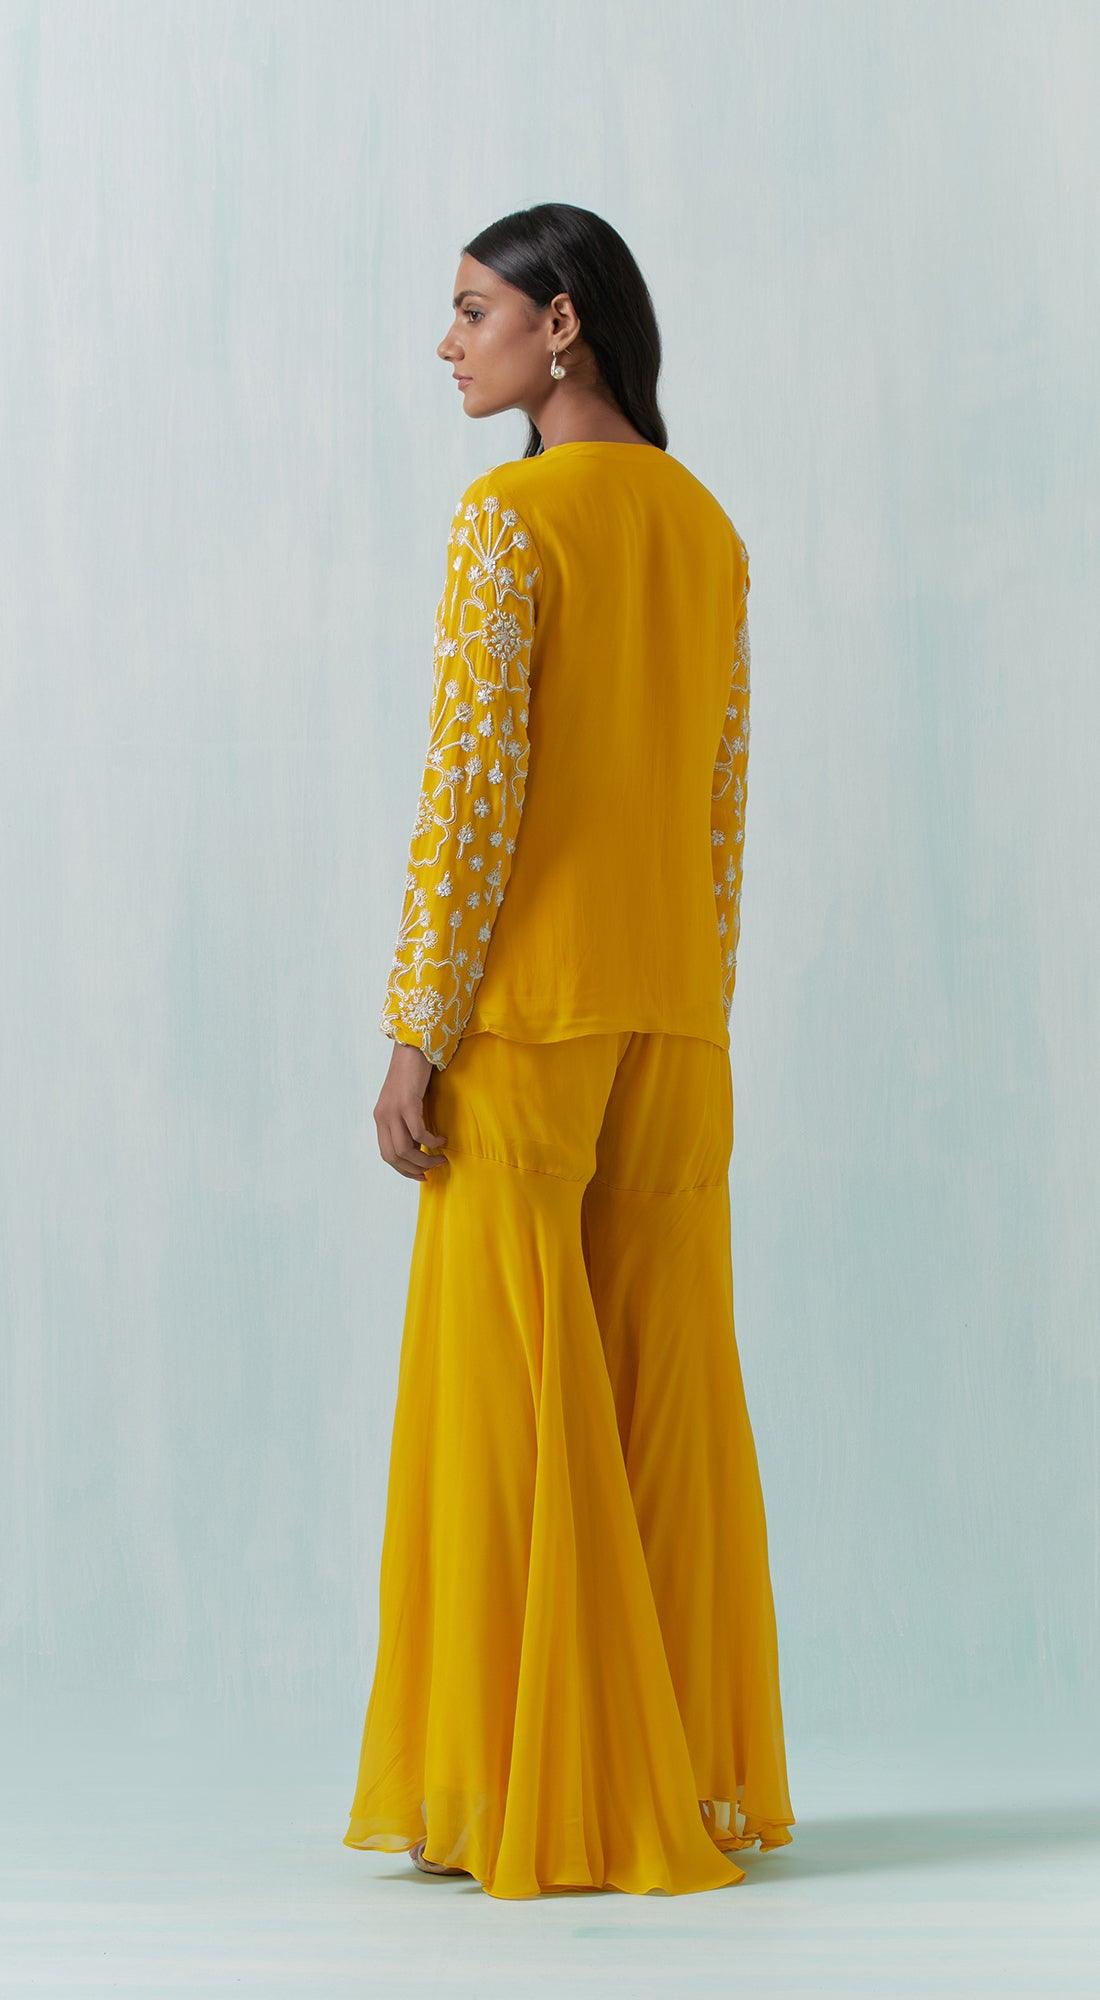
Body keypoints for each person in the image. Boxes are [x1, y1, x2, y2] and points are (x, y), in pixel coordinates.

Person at [343, 202, 795, 1899]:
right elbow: (719, 808)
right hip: (676, 1017)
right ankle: (669, 1779)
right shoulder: (705, 526)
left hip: (530, 1016)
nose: (447, 342)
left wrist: (418, 1030)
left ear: (563, 325)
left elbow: (472, 801)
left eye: (473, 310)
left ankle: (526, 1788)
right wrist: (700, 997)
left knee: (513, 1408)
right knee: (663, 1400)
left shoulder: (509, 519)